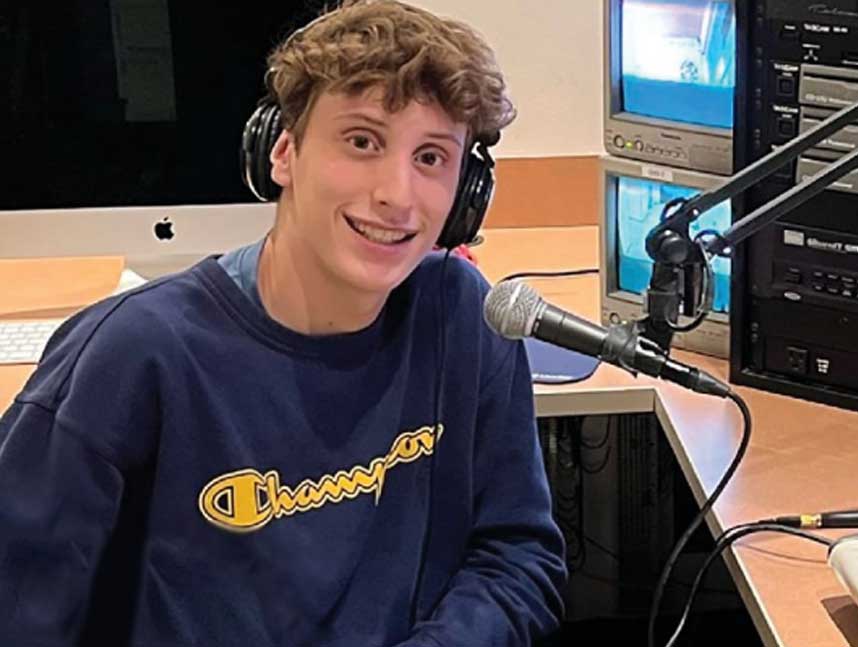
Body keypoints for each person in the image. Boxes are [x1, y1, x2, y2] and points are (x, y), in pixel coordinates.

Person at [0, 1, 567, 645]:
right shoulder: (131, 355)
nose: (397, 194)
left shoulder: (464, 316)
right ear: (284, 153)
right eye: (362, 141)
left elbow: (516, 558)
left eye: (432, 158)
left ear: (466, 195)